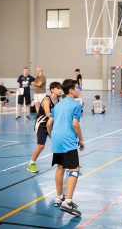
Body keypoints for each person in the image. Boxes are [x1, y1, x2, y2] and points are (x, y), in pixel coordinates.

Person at [46, 79, 84, 217]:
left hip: (56, 139)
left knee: (60, 167)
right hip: (68, 140)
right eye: (77, 88)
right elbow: (75, 124)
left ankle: (59, 197)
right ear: (71, 90)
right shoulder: (76, 104)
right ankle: (67, 202)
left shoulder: (57, 105)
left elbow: (49, 124)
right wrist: (81, 139)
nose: (79, 90)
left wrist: (53, 136)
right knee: (74, 169)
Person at [28, 82, 62, 173]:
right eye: (58, 88)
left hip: (51, 125)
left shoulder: (59, 100)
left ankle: (66, 162)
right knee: (41, 146)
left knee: (59, 143)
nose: (60, 90)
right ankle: (31, 164)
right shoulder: (46, 100)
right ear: (52, 90)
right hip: (42, 125)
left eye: (60, 88)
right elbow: (48, 114)